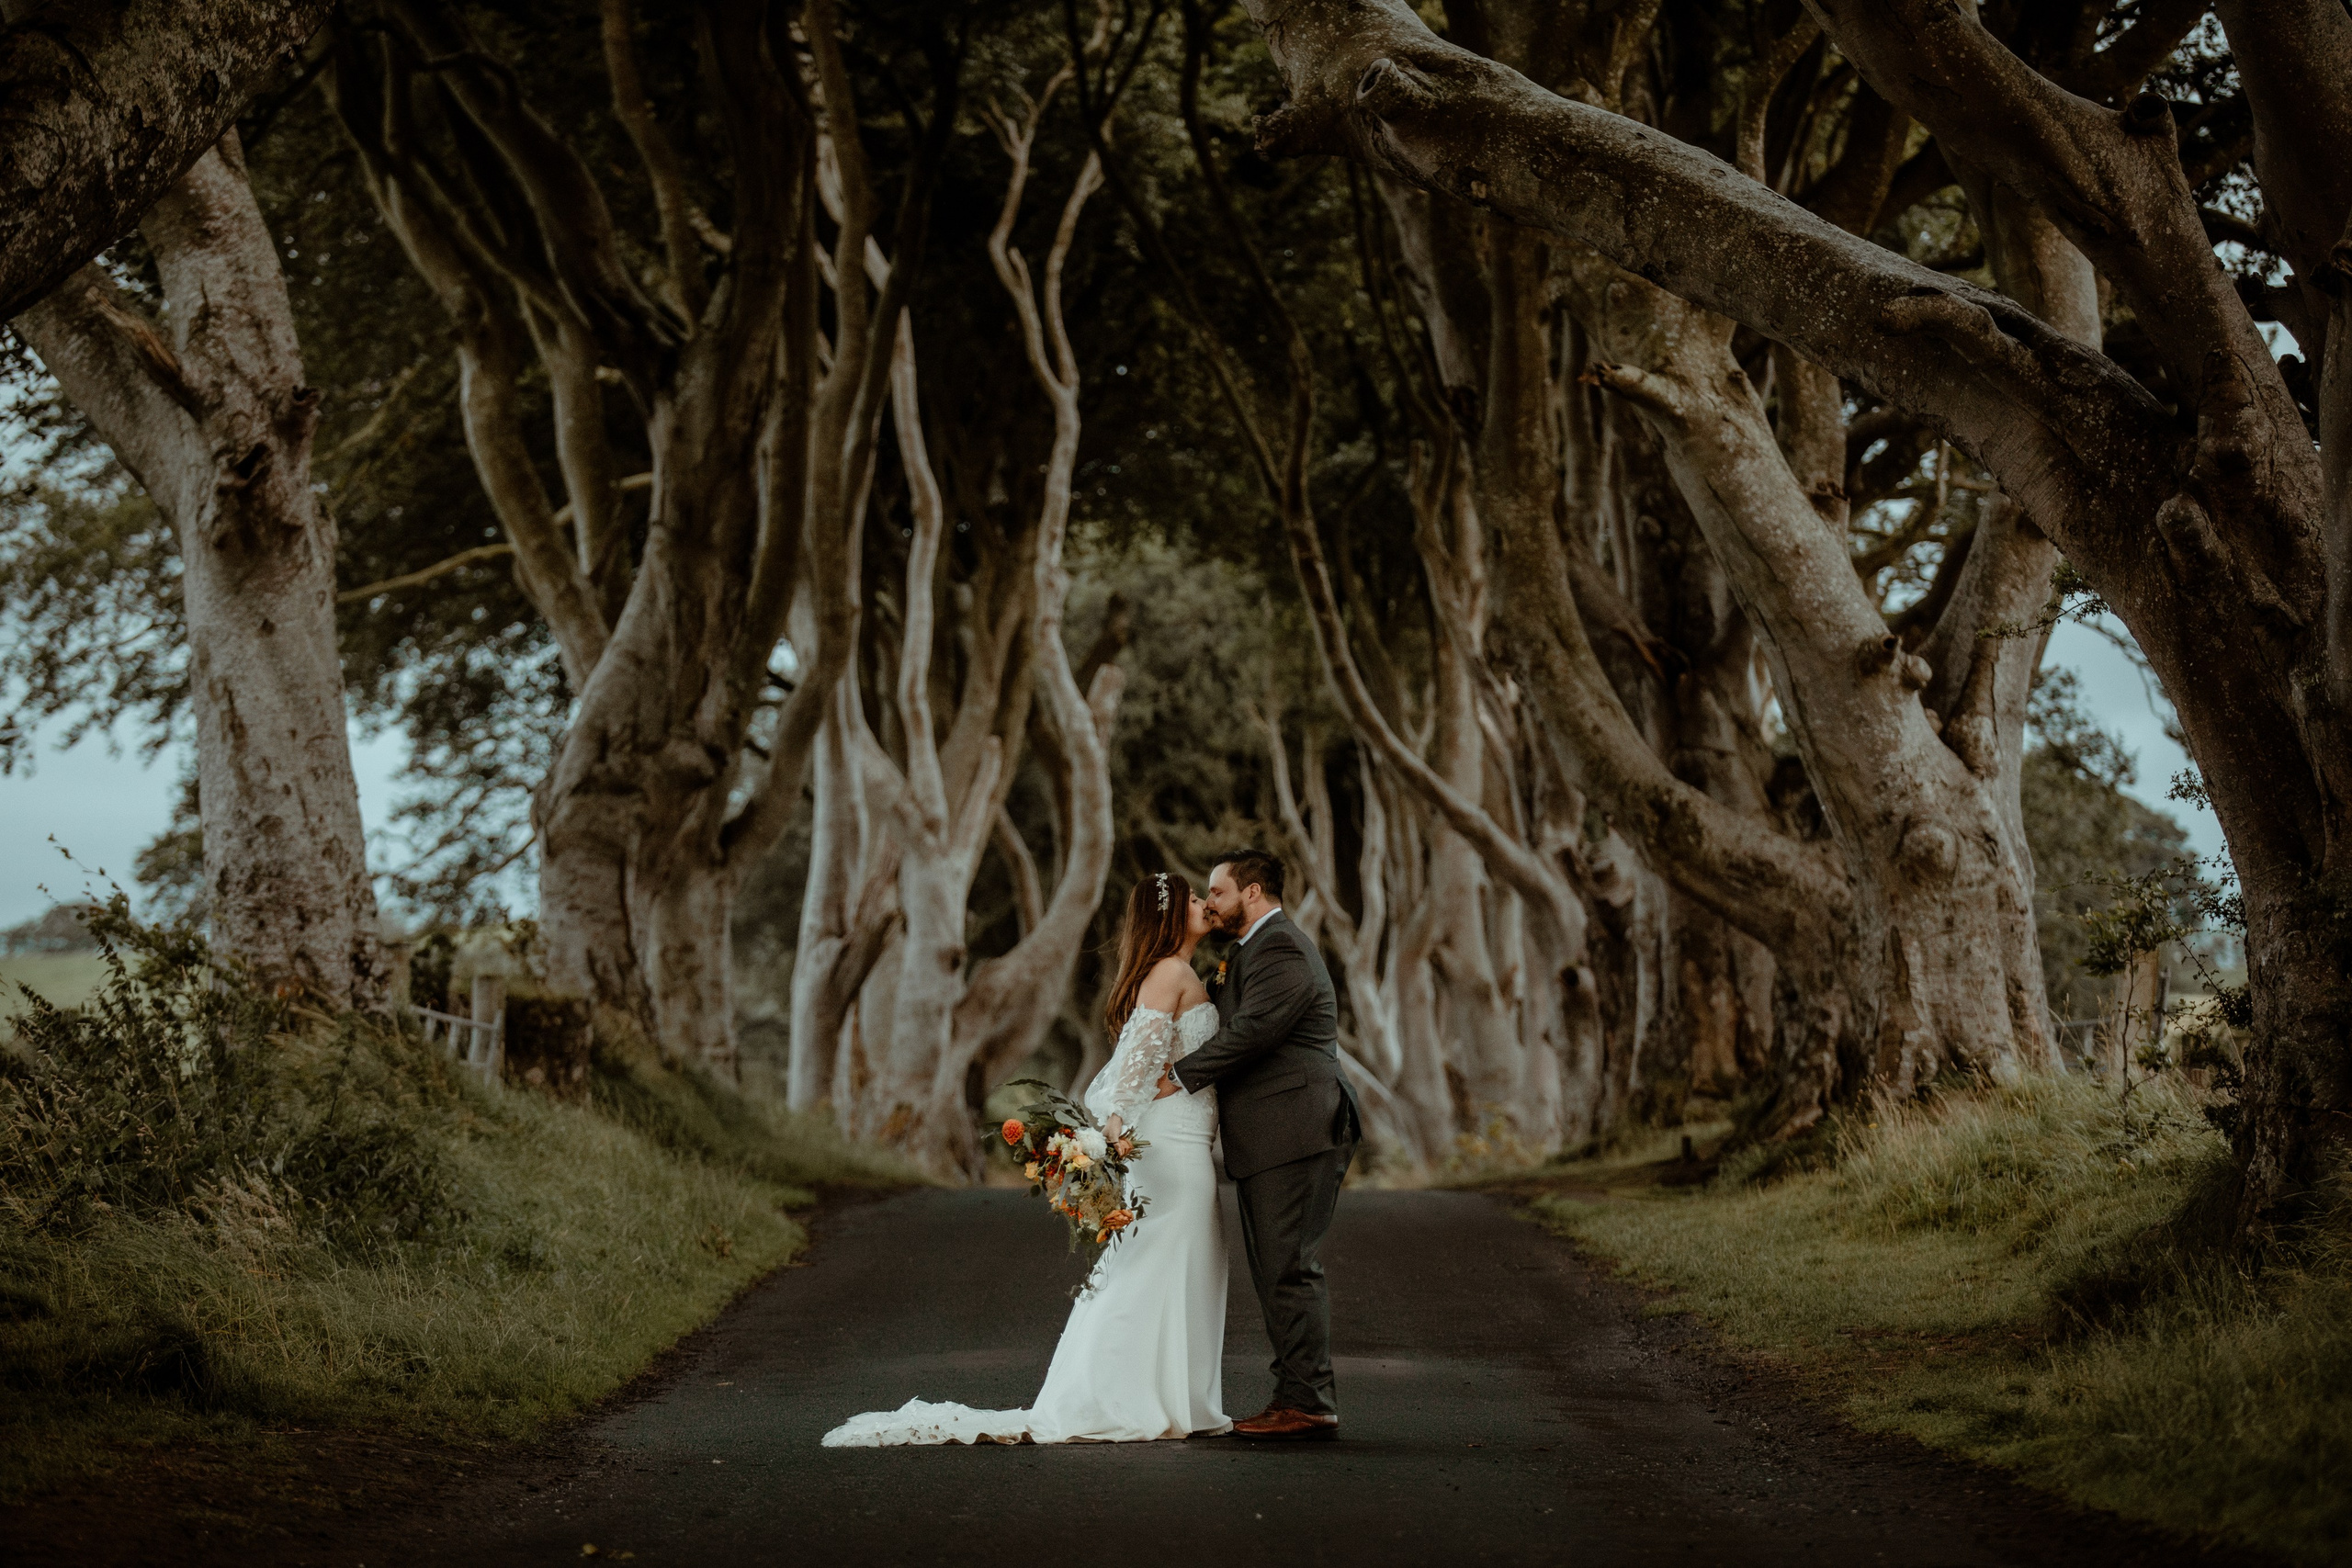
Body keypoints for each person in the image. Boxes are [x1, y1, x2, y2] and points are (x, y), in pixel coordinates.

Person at [820, 871, 1230, 1446]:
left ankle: (1169, 1398)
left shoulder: (1180, 973)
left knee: (1174, 1264)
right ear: (1166, 916)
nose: (1201, 904)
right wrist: (1110, 1139)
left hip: (1183, 1140)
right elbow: (1135, 1069)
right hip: (1170, 1147)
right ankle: (1123, 1398)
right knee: (1153, 1266)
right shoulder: (1170, 973)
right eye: (1190, 898)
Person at [1160, 847, 1361, 1441]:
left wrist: (1178, 1075)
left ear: (1251, 893)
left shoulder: (1280, 946)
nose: (1211, 903)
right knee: (1277, 1268)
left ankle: (1308, 1402)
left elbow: (1255, 1031)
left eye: (1217, 892)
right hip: (1275, 1134)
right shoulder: (1249, 953)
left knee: (1290, 1269)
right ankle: (1296, 1395)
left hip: (1296, 1129)